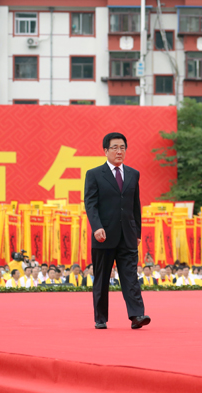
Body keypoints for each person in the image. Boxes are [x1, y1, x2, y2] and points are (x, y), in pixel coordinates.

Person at [84, 132, 150, 330]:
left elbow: (135, 205)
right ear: (105, 151)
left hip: (128, 236)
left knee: (130, 277)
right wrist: (97, 227)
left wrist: (137, 232)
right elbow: (91, 204)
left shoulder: (133, 174)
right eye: (115, 147)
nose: (119, 151)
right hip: (103, 235)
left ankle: (137, 315)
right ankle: (101, 318)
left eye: (122, 147)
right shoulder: (94, 174)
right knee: (102, 278)